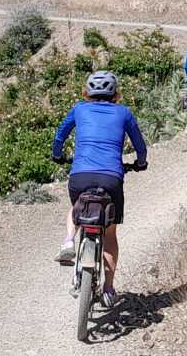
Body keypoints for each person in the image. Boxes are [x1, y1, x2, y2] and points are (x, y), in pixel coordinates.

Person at [51, 70, 147, 307]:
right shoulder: (123, 113)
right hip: (111, 179)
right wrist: (140, 162)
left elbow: (59, 136)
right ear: (116, 93)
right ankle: (109, 288)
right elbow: (140, 145)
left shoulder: (79, 110)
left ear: (87, 92)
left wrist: (57, 155)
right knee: (110, 233)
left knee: (76, 207)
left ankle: (69, 241)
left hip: (80, 176)